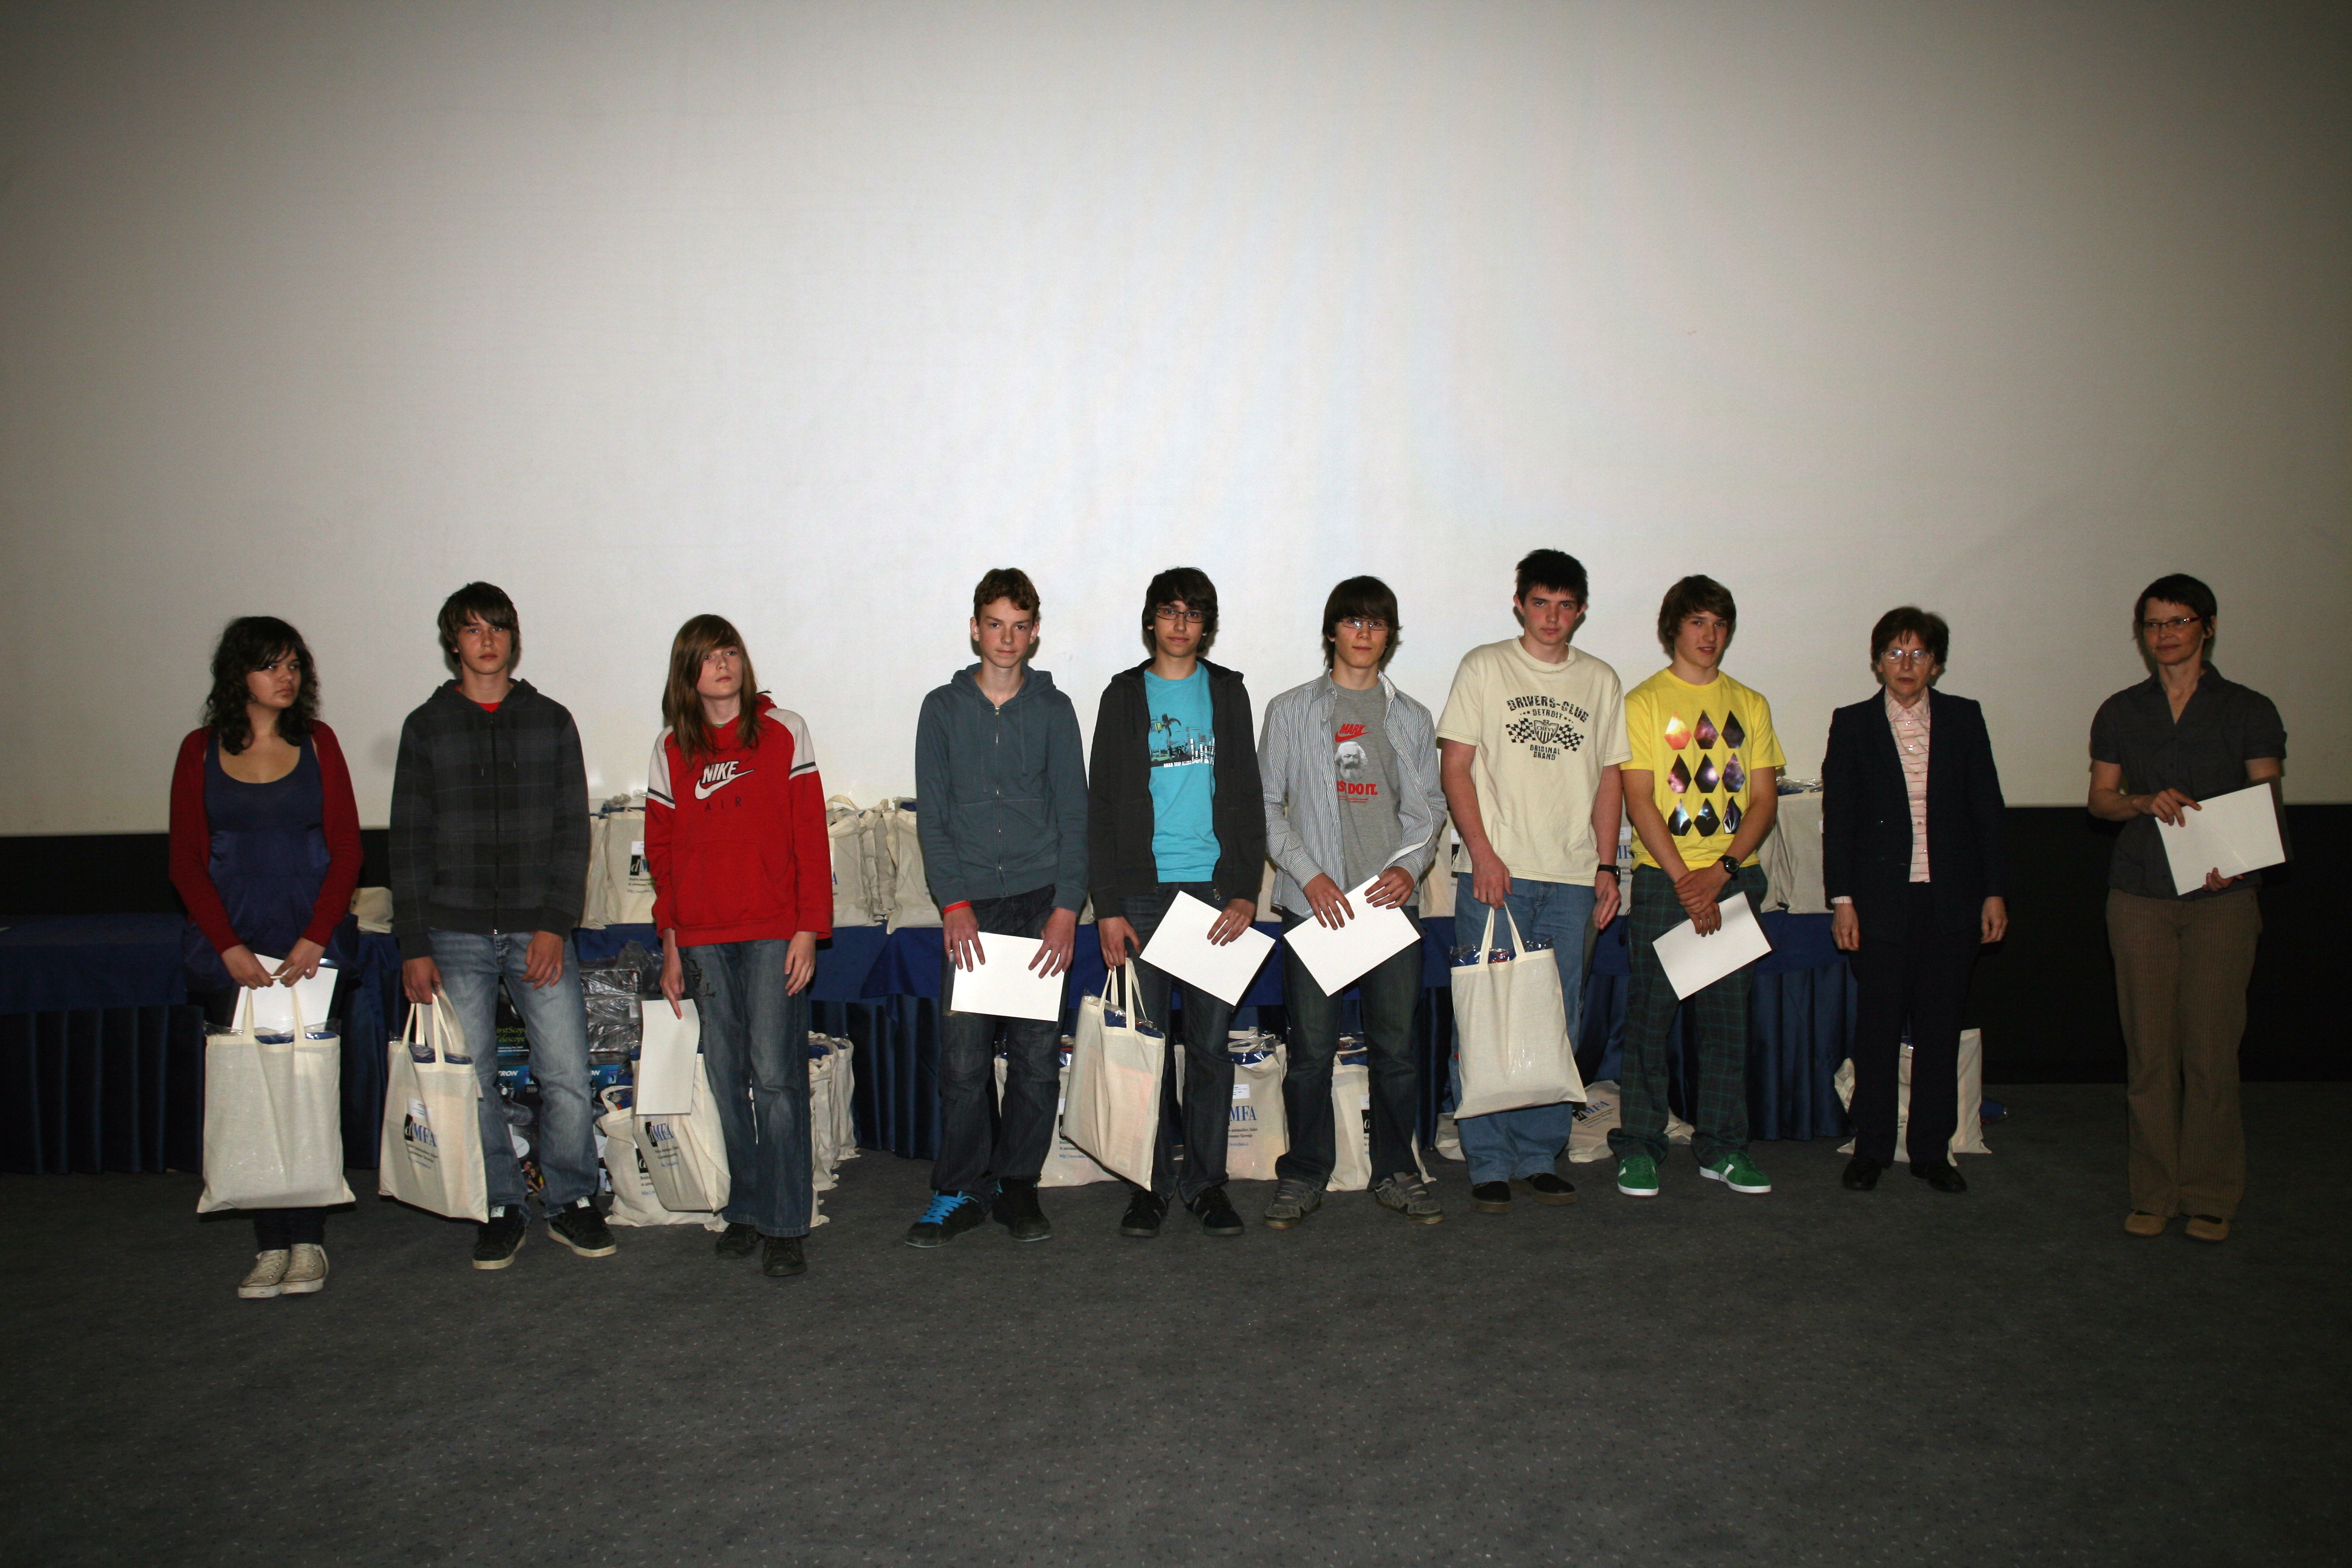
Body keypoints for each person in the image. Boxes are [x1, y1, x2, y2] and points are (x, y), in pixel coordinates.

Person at [390, 582, 610, 1270]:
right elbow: (408, 842)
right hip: (453, 932)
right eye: (471, 628)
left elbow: (573, 832)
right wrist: (414, 943)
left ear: (514, 637)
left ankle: (572, 1198)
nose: (486, 640)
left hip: (537, 929)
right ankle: (500, 1204)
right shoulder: (427, 726)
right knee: (475, 1078)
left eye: (497, 627)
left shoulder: (551, 720)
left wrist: (553, 924)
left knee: (566, 1071)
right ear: (453, 642)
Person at [169, 617, 362, 1299]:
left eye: (294, 665)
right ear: (238, 675)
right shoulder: (198, 751)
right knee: (249, 1091)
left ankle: (308, 1239)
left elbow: (347, 848)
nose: (286, 677)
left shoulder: (320, 743)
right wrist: (226, 944)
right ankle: (269, 1243)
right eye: (271, 665)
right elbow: (185, 861)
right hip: (234, 950)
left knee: (307, 1087)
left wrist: (317, 934)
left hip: (310, 945)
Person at [2089, 574, 2285, 1243]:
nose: (2165, 634)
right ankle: (2154, 1190)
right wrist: (2141, 800)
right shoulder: (2122, 710)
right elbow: (2101, 799)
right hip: (2139, 894)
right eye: (2153, 623)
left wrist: (2238, 857)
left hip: (2222, 898)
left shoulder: (2248, 708)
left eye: (2178, 621)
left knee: (2210, 1051)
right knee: (2149, 1051)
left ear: (2208, 626)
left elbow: (2267, 796)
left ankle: (2210, 1192)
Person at [1434, 549, 1628, 1214]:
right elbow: (1455, 767)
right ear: (1519, 603)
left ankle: (1540, 1154)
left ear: (1581, 611)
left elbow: (1609, 778)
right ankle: (1489, 1158)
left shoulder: (1600, 679)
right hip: (1498, 873)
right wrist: (1482, 853)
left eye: (1565, 605)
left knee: (1557, 1019)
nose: (1552, 617)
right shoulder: (1485, 666)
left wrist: (1607, 865)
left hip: (1572, 877)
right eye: (1540, 603)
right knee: (1486, 1015)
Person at [905, 569, 1088, 1248]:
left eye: (1019, 625)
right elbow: (934, 818)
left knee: (1036, 1060)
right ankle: (959, 1189)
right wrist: (953, 901)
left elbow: (1076, 814)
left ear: (1034, 633)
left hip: (1041, 903)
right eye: (995, 624)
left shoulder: (1055, 708)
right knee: (963, 1061)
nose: (1006, 638)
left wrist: (1067, 907)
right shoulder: (941, 708)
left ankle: (1017, 1185)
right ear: (975, 628)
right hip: (972, 907)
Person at [1259, 576, 1447, 1227]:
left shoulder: (1412, 717)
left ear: (1390, 635)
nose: (1364, 633)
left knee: (1396, 1051)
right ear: (1331, 631)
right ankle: (1304, 1173)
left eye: (1376, 623)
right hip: (1315, 906)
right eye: (1352, 621)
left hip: (1388, 908)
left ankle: (1396, 1170)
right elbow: (1266, 807)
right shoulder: (1290, 710)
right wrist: (1310, 875)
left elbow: (1428, 811)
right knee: (1311, 1052)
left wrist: (1409, 868)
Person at [646, 615, 831, 1278]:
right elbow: (662, 854)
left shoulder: (785, 731)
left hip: (774, 931)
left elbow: (810, 832)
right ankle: (747, 1207)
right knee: (727, 1078)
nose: (723, 665)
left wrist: (809, 927)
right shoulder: (671, 747)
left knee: (776, 1078)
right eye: (709, 657)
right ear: (687, 673)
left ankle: (785, 1220)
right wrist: (670, 941)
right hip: (702, 938)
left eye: (731, 652)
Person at [1089, 566, 1266, 1239]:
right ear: (1151, 620)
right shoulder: (1123, 695)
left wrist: (1246, 889)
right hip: (1140, 895)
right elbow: (1101, 805)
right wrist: (1107, 905)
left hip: (1213, 894)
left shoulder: (1227, 692)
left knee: (1212, 1048)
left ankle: (1206, 1183)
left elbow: (1246, 796)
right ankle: (1151, 1184)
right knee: (1148, 1049)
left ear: (1206, 625)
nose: (1181, 623)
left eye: (1193, 613)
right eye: (1169, 611)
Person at [1823, 607, 2008, 1195]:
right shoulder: (1852, 723)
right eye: (1895, 653)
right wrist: (1843, 900)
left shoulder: (1963, 717)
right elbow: (1840, 820)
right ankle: (1872, 1148)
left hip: (1951, 902)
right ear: (1877, 662)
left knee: (1940, 1030)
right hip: (1879, 904)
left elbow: (1988, 810)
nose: (1906, 665)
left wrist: (1994, 890)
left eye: (1919, 653)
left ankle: (1933, 1150)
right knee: (1876, 1031)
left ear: (1937, 663)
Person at [1611, 575, 1784, 1198]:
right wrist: (1687, 879)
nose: (1709, 635)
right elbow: (1639, 800)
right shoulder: (1643, 702)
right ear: (1673, 630)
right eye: (1697, 622)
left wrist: (1722, 873)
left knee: (1726, 1023)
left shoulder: (1751, 703)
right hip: (1666, 881)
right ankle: (1639, 1146)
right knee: (1649, 1020)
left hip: (1733, 879)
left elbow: (1764, 800)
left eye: (1719, 623)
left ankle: (1724, 1146)